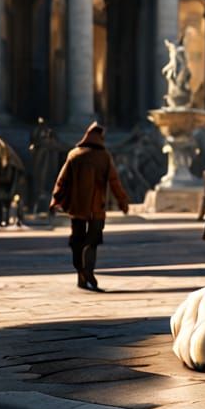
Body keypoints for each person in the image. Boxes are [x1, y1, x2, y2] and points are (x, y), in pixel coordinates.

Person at [51, 122, 130, 291]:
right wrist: (122, 201)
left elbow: (61, 180)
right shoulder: (104, 156)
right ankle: (88, 271)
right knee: (92, 242)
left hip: (77, 208)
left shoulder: (74, 154)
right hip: (96, 209)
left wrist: (55, 200)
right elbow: (114, 182)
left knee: (77, 242)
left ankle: (81, 272)